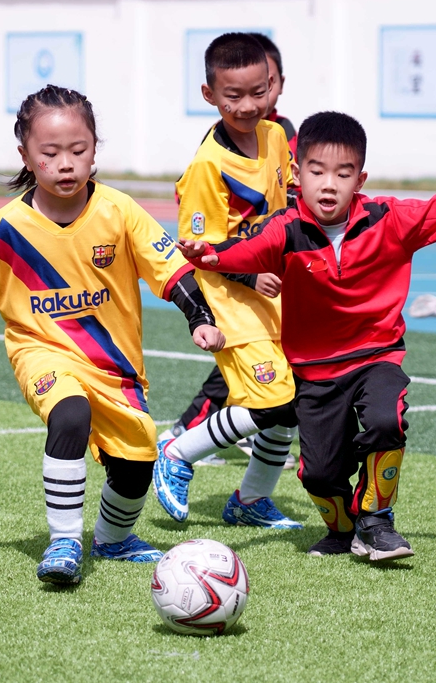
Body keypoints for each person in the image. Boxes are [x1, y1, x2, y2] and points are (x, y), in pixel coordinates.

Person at [0, 85, 225, 586]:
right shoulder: (7, 226)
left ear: (94, 150)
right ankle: (64, 540)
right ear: (25, 155)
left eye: (78, 150)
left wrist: (199, 317)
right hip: (41, 352)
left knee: (136, 466)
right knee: (69, 414)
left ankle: (111, 538)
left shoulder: (119, 211)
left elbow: (170, 269)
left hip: (115, 366)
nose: (66, 164)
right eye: (50, 153)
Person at [179, 111, 436, 561]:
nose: (329, 185)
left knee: (387, 420)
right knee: (319, 476)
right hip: (315, 371)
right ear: (297, 174)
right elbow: (239, 252)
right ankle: (344, 531)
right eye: (317, 171)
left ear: (359, 178)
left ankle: (377, 522)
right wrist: (205, 254)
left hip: (376, 355)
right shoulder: (284, 230)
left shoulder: (389, 219)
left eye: (343, 174)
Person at [153, 33, 303, 531]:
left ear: (272, 87)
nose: (247, 105)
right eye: (233, 96)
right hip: (231, 301)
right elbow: (198, 250)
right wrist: (249, 270)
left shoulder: (277, 136)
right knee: (270, 400)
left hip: (277, 294)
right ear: (209, 95)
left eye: (258, 92)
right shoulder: (208, 167)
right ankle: (178, 452)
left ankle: (251, 500)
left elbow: (286, 203)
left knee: (293, 400)